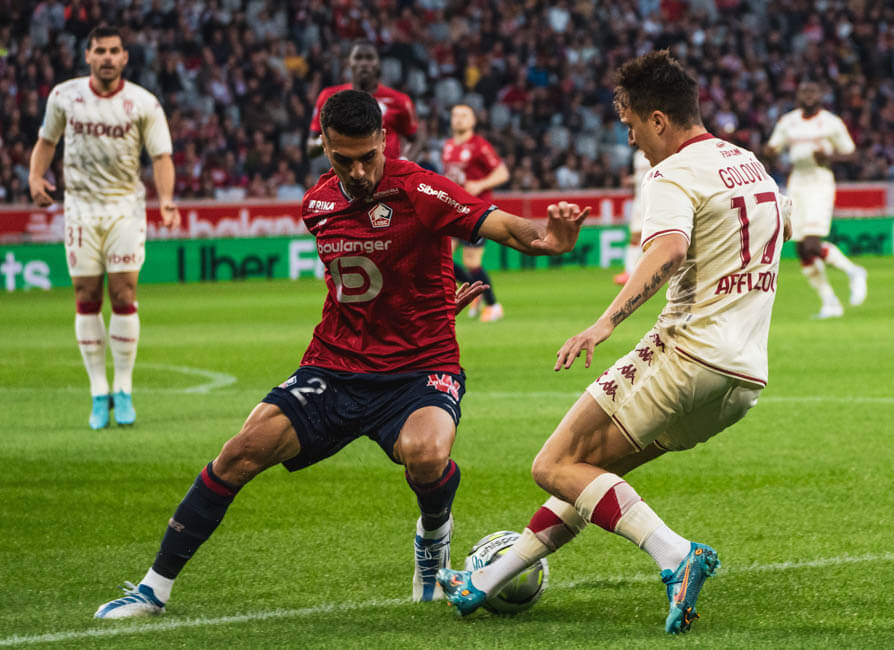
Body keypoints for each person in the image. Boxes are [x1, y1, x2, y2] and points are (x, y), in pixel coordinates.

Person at [93, 90, 588, 619]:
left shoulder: (421, 188)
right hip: (335, 365)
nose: (358, 171)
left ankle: (433, 537)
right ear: (324, 146)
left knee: (426, 454)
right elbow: (363, 285)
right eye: (343, 159)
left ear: (384, 140)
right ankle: (152, 590)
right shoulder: (317, 206)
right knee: (239, 452)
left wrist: (551, 240)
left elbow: (504, 225)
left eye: (368, 156)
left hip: (421, 366)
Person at [437, 51, 791, 635]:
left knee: (552, 464)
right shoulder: (749, 164)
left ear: (659, 120)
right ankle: (487, 580)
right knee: (586, 472)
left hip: (686, 354)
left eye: (631, 125)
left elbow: (670, 249)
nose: (631, 140)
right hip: (744, 376)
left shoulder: (671, 173)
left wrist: (603, 324)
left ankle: (676, 555)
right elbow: (769, 234)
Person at [27, 24, 179, 430]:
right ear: (88, 56)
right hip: (80, 207)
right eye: (100, 50)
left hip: (124, 207)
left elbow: (161, 156)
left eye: (114, 51)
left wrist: (166, 200)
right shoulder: (64, 96)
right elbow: (47, 141)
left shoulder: (143, 103)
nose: (107, 57)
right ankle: (99, 391)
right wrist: (35, 177)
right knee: (86, 295)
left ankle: (123, 388)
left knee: (124, 293)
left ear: (125, 57)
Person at [765, 81, 866, 319]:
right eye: (804, 92)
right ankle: (830, 302)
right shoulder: (788, 121)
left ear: (821, 96)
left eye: (813, 92)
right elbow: (772, 148)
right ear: (798, 97)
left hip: (820, 181)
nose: (808, 96)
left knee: (811, 243)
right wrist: (770, 152)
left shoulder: (831, 122)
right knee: (801, 248)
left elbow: (852, 153)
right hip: (797, 182)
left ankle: (853, 271)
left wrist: (829, 156)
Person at [442, 103, 510, 321]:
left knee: (472, 263)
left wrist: (480, 184)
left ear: (473, 121)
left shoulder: (480, 146)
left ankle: (494, 305)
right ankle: (473, 291)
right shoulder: (448, 146)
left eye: (464, 115)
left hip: (476, 212)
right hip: (453, 210)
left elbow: (502, 173)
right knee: (442, 257)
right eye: (455, 115)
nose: (459, 119)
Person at [307, 41, 417, 161]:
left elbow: (416, 139)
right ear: (349, 62)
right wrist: (330, 139)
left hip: (388, 171)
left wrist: (405, 159)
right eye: (358, 58)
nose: (364, 63)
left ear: (378, 63)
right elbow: (310, 149)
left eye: (369, 58)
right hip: (346, 172)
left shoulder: (399, 100)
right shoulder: (329, 97)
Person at [613, 148, 650, 286]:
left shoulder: (657, 148)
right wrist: (631, 180)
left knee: (647, 237)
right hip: (639, 201)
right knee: (635, 237)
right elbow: (640, 177)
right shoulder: (638, 155)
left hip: (652, 199)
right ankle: (630, 272)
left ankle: (634, 272)